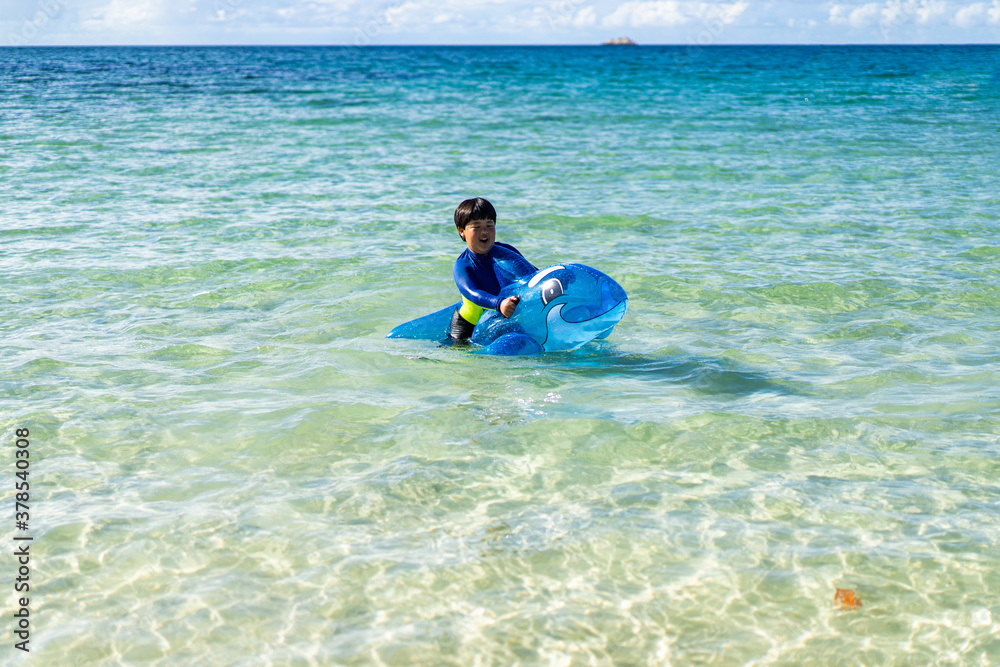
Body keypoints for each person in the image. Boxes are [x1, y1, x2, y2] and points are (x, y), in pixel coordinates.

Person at [449, 197, 537, 341]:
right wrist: (499, 303)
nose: (484, 232)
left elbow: (530, 274)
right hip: (467, 327)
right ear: (462, 231)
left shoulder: (507, 251)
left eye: (489, 225)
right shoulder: (463, 265)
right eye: (476, 227)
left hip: (502, 314)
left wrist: (556, 278)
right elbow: (474, 294)